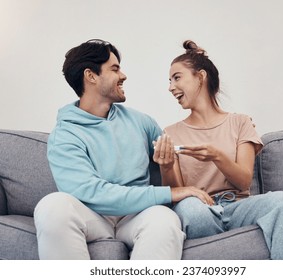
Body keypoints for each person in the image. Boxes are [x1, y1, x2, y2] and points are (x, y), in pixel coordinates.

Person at [33, 39, 213, 260]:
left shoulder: (142, 122)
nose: (123, 75)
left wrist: (171, 170)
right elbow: (92, 192)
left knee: (164, 220)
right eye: (115, 69)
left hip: (137, 216)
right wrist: (169, 193)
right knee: (52, 206)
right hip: (93, 216)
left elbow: (171, 171)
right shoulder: (64, 135)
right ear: (91, 76)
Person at [153, 40, 283, 259]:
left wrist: (217, 156)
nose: (171, 87)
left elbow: (243, 181)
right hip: (199, 209)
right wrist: (167, 165)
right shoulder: (170, 133)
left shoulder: (240, 123)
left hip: (238, 206)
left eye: (177, 78)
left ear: (200, 76)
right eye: (169, 81)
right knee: (191, 210)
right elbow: (178, 193)